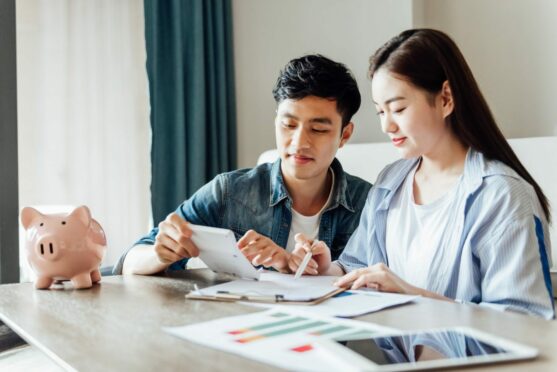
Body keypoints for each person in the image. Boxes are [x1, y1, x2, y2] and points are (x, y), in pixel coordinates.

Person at [291, 29, 554, 319]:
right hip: (398, 364)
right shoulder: (390, 183)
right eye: (381, 112)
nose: (387, 126)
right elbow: (359, 266)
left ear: (446, 98)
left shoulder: (502, 195)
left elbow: (524, 322)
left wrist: (413, 296)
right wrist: (327, 267)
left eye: (398, 109)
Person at [113, 54, 372, 276]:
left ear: (345, 135)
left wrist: (296, 266)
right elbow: (130, 260)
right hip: (237, 330)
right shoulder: (229, 192)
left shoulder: (370, 204)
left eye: (317, 129)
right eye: (288, 125)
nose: (299, 142)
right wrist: (162, 254)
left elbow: (378, 285)